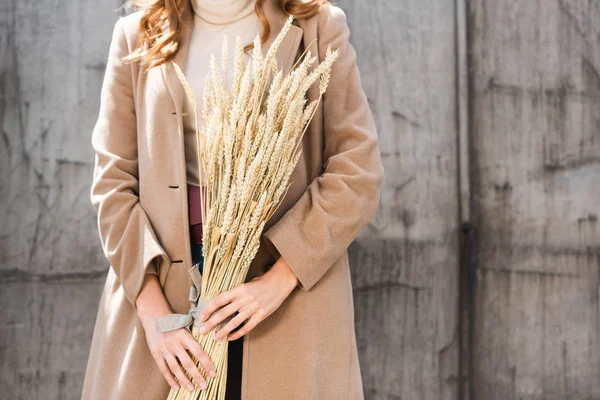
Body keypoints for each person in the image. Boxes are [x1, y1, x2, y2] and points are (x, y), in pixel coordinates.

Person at [81, 0, 384, 398]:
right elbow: (113, 182)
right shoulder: (137, 33)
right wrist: (154, 314)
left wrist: (278, 280)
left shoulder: (317, 25)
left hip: (285, 296)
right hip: (161, 295)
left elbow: (357, 170)